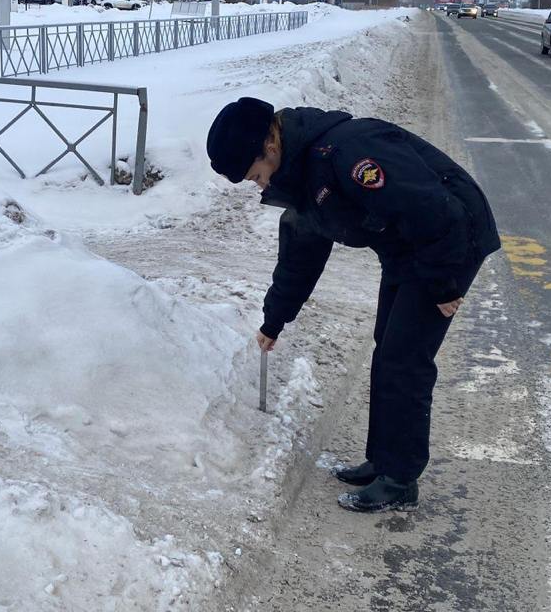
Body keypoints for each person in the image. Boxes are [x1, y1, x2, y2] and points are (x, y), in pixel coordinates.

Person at [206, 97, 500, 513]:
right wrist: (275, 320)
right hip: (406, 246)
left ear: (269, 147)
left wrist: (443, 285)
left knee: (405, 359)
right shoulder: (302, 174)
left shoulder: (348, 153)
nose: (260, 186)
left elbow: (432, 211)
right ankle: (383, 462)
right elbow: (300, 255)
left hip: (449, 239)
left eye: (255, 175)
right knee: (389, 348)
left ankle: (400, 480)